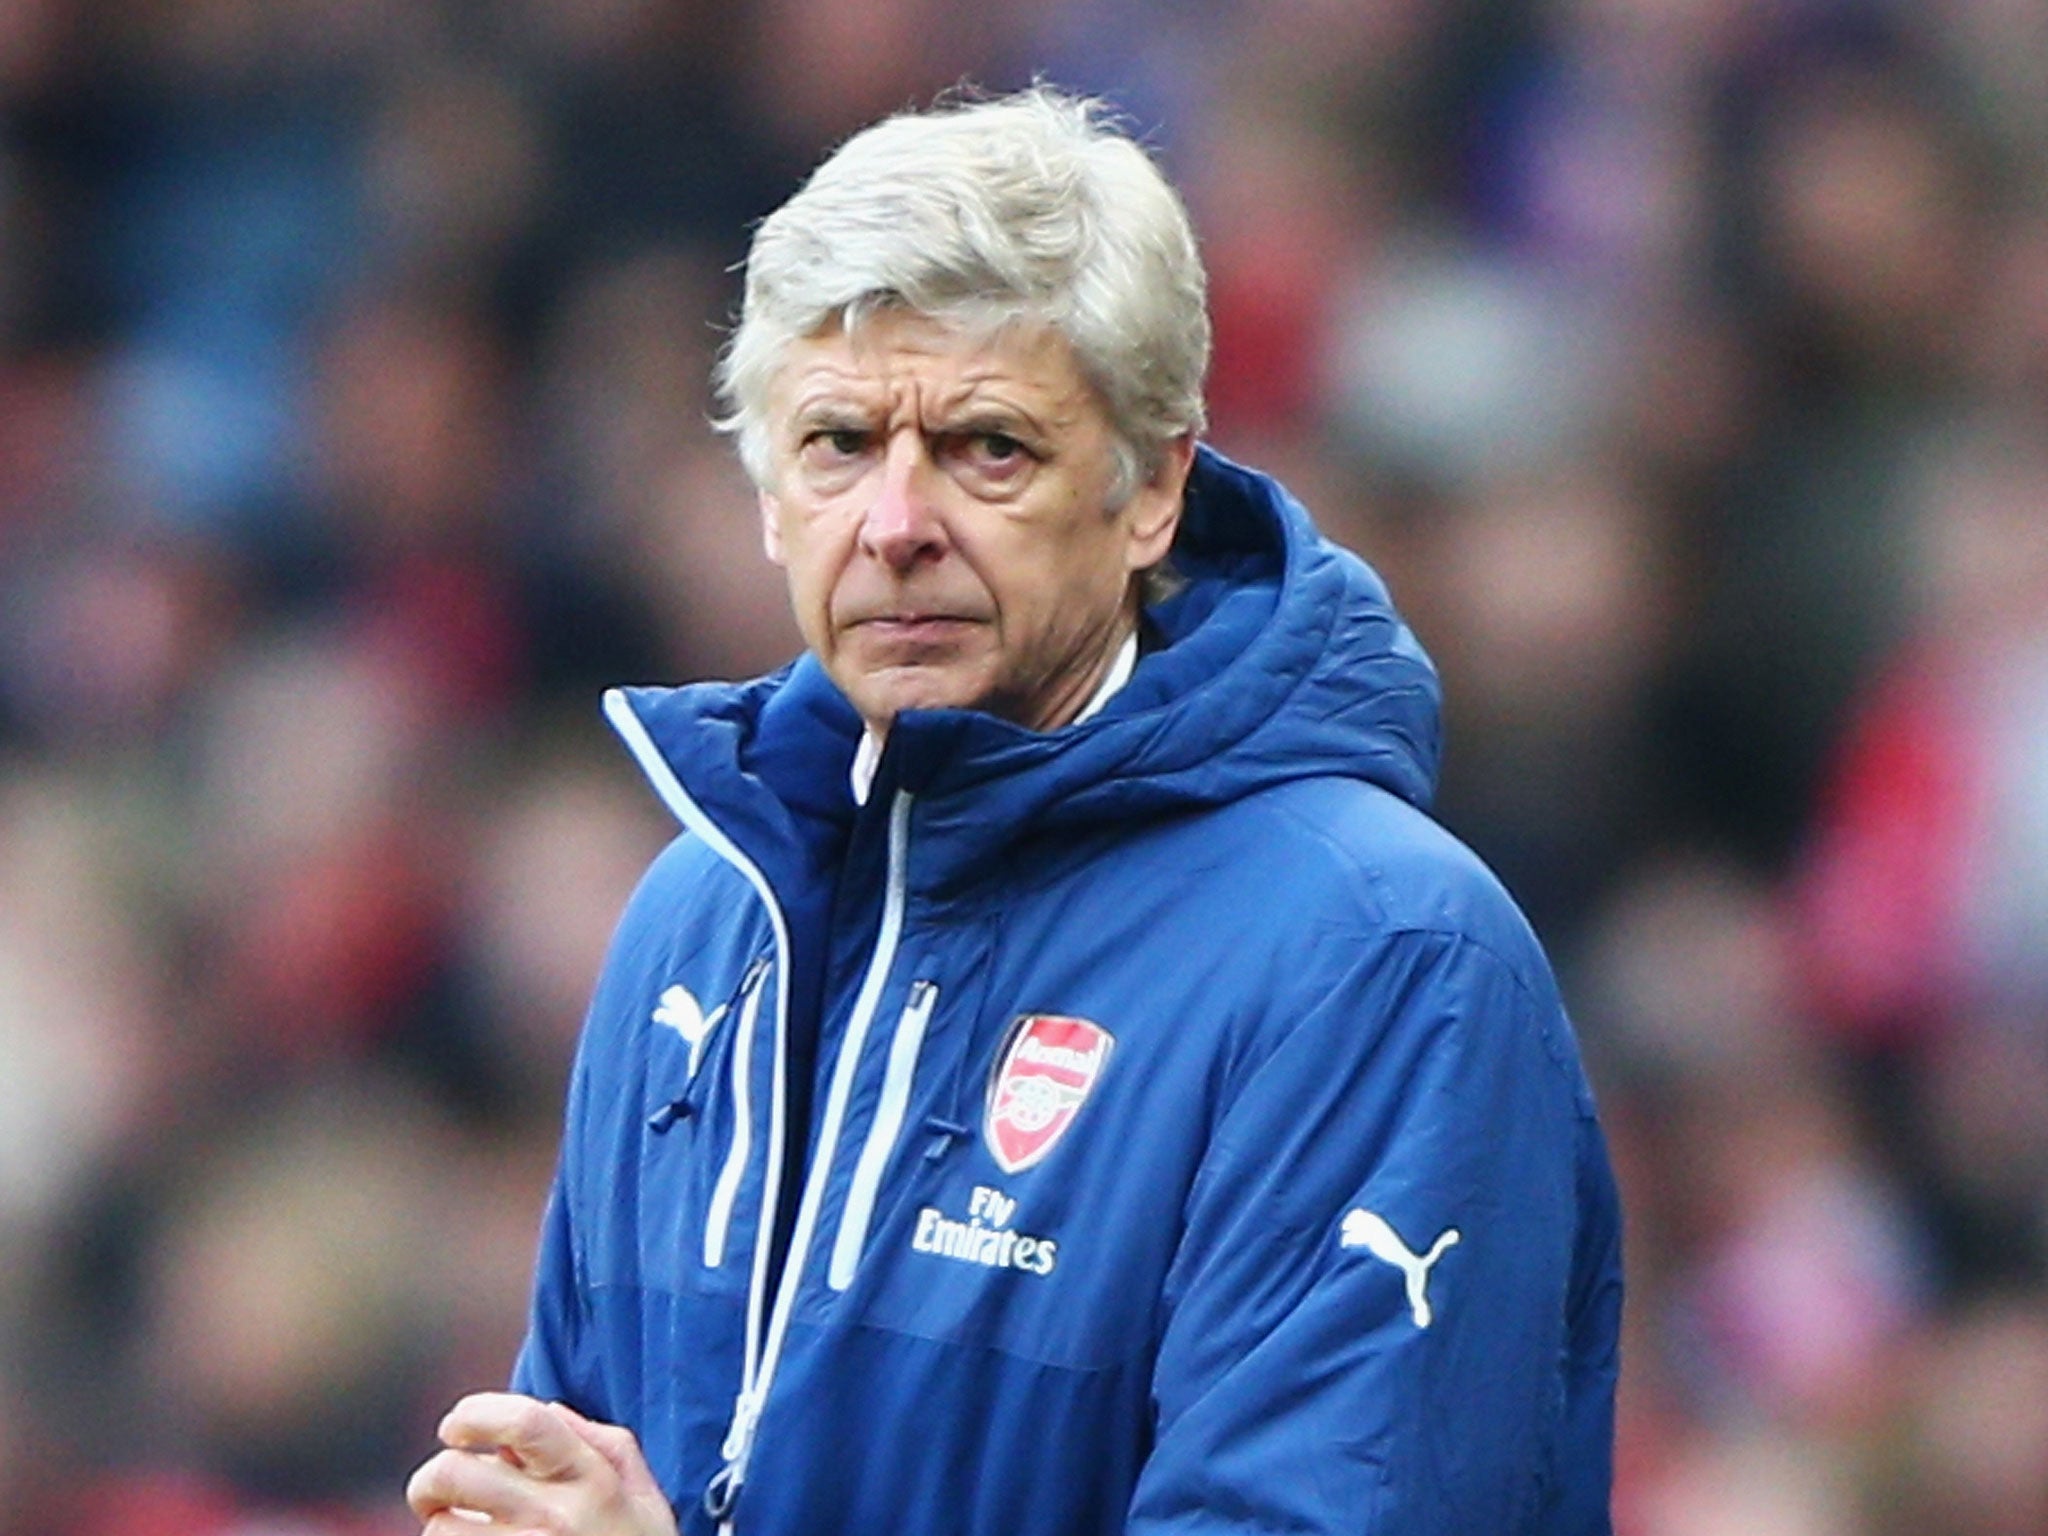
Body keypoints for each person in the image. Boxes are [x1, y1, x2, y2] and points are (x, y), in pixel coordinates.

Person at [407, 85, 1623, 1536]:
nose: (898, 522)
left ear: (1154, 488)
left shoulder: (1382, 959)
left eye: (987, 446)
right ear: (768, 497)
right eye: (839, 444)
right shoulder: (701, 924)